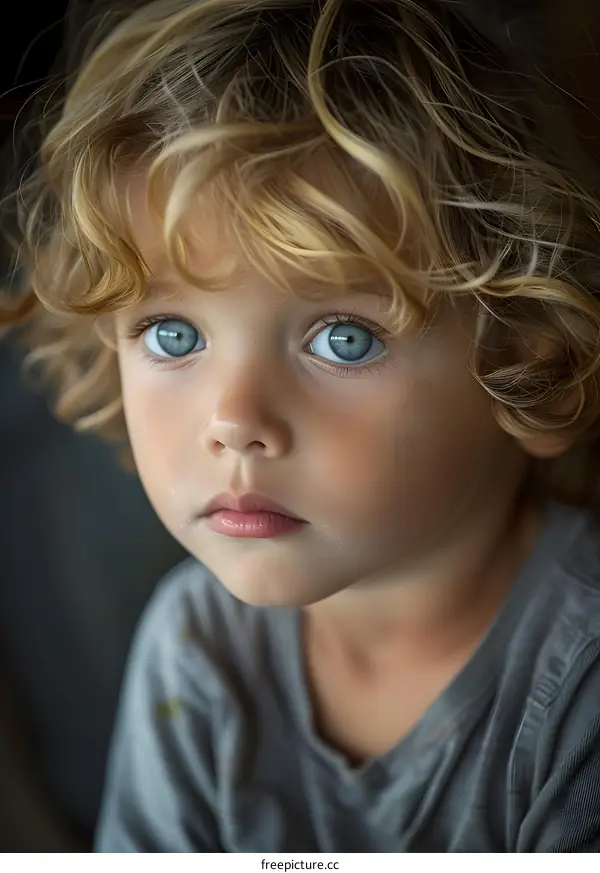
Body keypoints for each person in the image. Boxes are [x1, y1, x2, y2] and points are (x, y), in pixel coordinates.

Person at [3, 0, 600, 852]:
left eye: (343, 339)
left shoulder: (580, 690)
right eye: (175, 334)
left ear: (523, 363)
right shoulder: (196, 650)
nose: (235, 421)